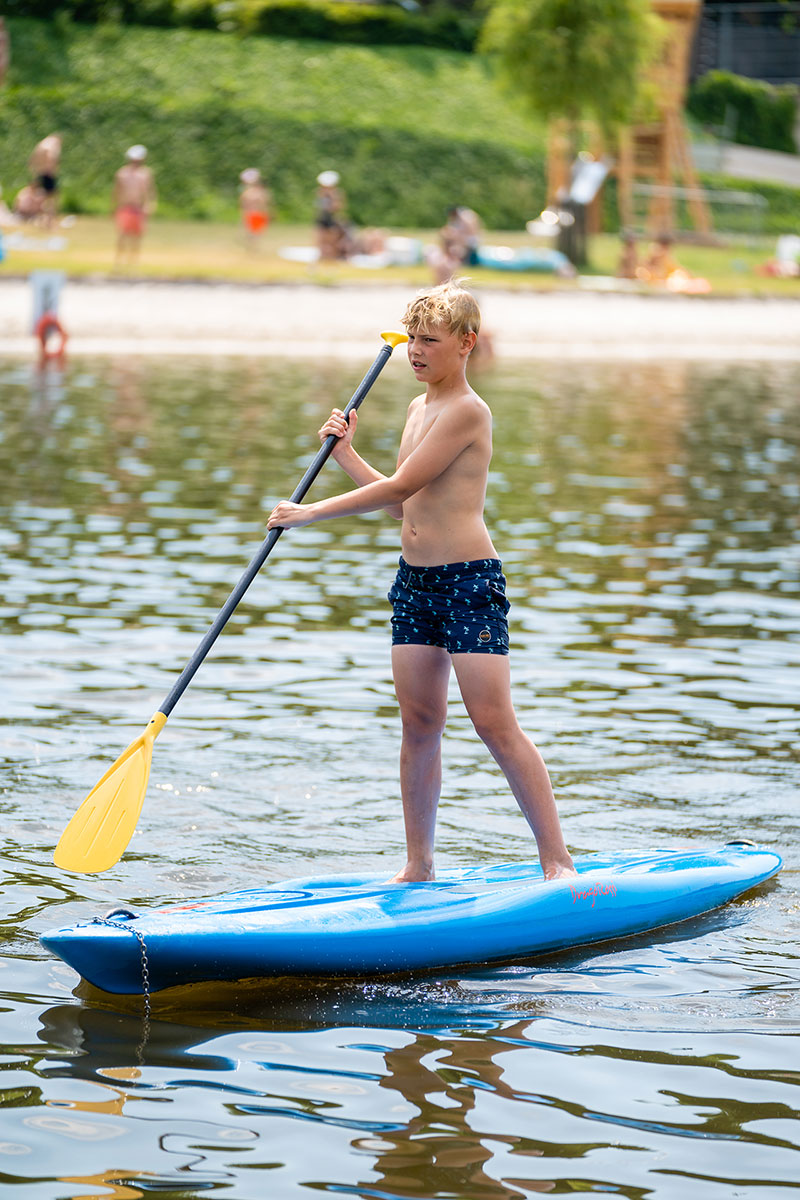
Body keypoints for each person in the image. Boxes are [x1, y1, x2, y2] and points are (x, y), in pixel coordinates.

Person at [268, 281, 575, 884]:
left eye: (428, 341)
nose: (414, 351)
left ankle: (557, 862)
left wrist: (309, 512)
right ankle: (419, 864)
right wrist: (347, 456)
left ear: (466, 344)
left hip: (467, 584)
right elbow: (404, 505)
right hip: (414, 585)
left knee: (493, 722)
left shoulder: (468, 410)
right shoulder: (417, 408)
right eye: (411, 338)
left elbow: (400, 487)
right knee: (419, 722)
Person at [112, 144, 156, 269]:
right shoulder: (122, 173)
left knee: (137, 236)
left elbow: (149, 191)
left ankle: (133, 261)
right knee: (122, 234)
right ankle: (119, 261)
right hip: (125, 207)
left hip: (138, 208)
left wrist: (149, 205)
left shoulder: (145, 173)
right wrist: (114, 206)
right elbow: (116, 191)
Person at [314, 169, 350, 260]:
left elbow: (338, 207)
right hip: (322, 217)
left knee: (332, 239)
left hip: (332, 218)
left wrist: (332, 197)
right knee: (321, 238)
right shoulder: (320, 192)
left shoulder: (337, 193)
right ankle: (322, 255)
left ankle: (333, 256)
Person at [28, 133, 61, 227]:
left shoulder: (41, 145)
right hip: (48, 174)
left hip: (39, 173)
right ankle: (49, 222)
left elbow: (31, 160)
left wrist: (35, 171)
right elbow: (51, 157)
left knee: (39, 198)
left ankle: (39, 220)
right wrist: (54, 169)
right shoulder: (52, 145)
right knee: (51, 199)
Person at [239, 167, 271, 248]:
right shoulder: (258, 193)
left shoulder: (247, 193)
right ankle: (252, 246)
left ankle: (251, 246)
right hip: (255, 214)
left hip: (254, 214)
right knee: (254, 232)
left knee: (254, 232)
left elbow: (243, 204)